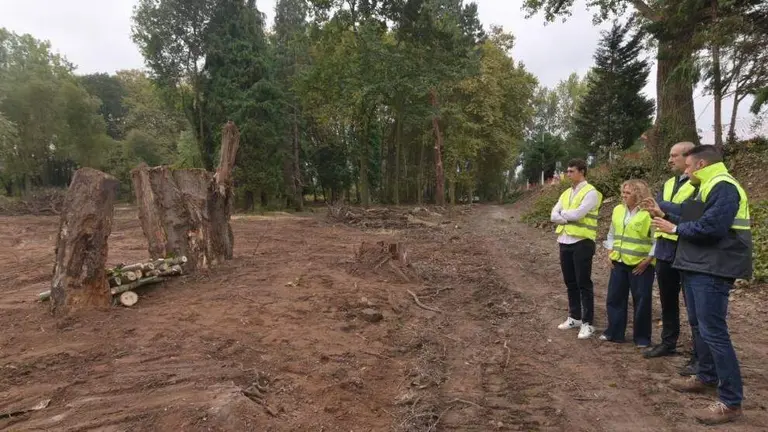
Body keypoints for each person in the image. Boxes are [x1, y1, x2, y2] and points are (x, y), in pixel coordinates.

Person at [651, 145, 751, 425]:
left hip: (714, 267)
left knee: (714, 332)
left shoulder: (723, 187)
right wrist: (666, 214)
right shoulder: (705, 186)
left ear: (701, 164)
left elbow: (713, 228)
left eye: (688, 166)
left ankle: (731, 402)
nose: (685, 171)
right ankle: (706, 376)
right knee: (699, 325)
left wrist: (674, 228)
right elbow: (691, 216)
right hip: (698, 264)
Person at [642, 142, 699, 375]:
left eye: (674, 155)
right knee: (667, 300)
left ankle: (699, 355)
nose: (669, 160)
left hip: (686, 248)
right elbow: (657, 208)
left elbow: (690, 212)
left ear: (689, 157)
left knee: (694, 306)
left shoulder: (698, 183)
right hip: (665, 249)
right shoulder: (668, 183)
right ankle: (668, 342)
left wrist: (662, 207)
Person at [550, 159, 604, 340]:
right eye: (567, 171)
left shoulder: (591, 192)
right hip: (564, 241)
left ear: (582, 172)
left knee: (583, 283)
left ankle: (588, 323)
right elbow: (553, 215)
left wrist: (563, 215)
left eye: (571, 171)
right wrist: (566, 216)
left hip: (582, 242)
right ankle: (575, 317)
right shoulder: (566, 193)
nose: (568, 174)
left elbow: (579, 214)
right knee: (570, 282)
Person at [600, 180, 655, 347]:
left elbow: (657, 239)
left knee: (642, 301)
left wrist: (647, 261)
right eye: (623, 192)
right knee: (615, 298)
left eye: (628, 193)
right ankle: (614, 332)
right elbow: (612, 233)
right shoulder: (618, 210)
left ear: (638, 194)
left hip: (641, 265)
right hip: (619, 262)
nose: (623, 196)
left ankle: (642, 338)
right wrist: (610, 252)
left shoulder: (649, 213)